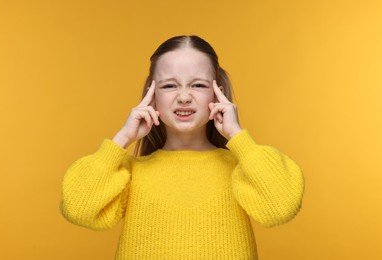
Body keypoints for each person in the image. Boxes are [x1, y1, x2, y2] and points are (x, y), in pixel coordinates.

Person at [60, 35, 305, 259]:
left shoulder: (242, 168)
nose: (184, 96)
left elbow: (281, 207)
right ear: (151, 95)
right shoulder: (132, 172)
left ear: (217, 93)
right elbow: (78, 208)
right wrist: (123, 138)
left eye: (198, 85)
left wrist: (236, 135)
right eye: (169, 86)